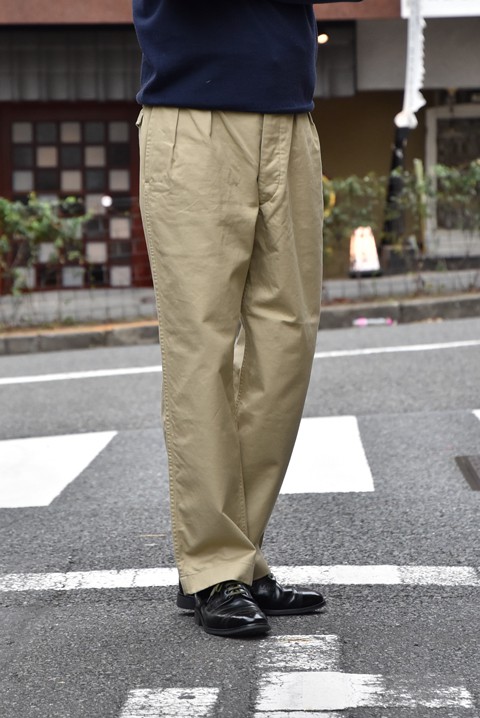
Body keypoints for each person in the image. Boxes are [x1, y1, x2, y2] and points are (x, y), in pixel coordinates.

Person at [133, 0, 362, 638]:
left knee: (289, 338)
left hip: (291, 117)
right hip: (193, 119)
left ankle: (239, 553)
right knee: (200, 348)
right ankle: (213, 567)